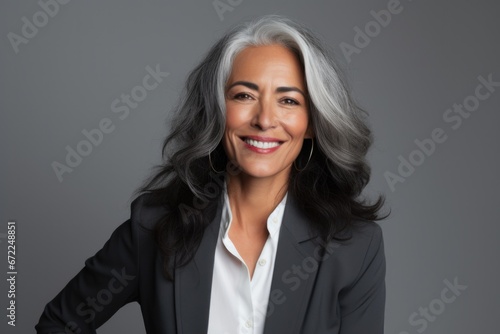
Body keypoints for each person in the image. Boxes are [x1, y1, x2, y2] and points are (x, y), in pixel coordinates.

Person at [36, 15, 387, 334]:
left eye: (289, 101)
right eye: (244, 95)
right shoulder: (154, 227)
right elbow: (60, 324)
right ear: (217, 111)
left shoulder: (355, 245)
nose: (265, 120)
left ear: (311, 124)